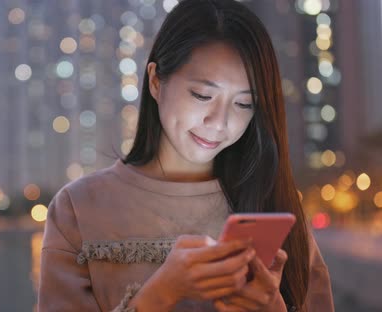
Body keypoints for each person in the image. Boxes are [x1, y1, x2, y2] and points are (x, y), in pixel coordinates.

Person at [38, 0, 334, 311]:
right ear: (155, 81)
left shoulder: (275, 202)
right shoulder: (79, 209)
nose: (219, 122)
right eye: (203, 95)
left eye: (244, 104)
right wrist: (161, 294)